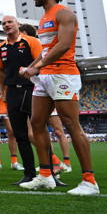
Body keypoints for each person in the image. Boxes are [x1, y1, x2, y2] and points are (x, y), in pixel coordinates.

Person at [19, 0, 99, 195]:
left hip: (63, 74)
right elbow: (46, 50)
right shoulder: (44, 17)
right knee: (36, 124)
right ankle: (46, 175)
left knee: (71, 124)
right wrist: (31, 67)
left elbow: (64, 45)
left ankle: (89, 181)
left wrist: (38, 67)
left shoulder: (64, 13)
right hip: (45, 76)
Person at [19, 23, 71, 174]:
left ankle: (63, 162)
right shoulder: (23, 47)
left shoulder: (35, 44)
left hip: (47, 87)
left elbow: (43, 61)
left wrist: (31, 69)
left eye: (21, 33)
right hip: (37, 89)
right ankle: (53, 162)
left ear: (25, 33)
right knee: (35, 131)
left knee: (59, 130)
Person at [0, 15, 39, 185]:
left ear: (17, 25)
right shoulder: (1, 47)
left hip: (32, 89)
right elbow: (1, 71)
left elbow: (41, 61)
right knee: (19, 134)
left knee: (38, 132)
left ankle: (48, 171)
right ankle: (29, 174)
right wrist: (3, 92)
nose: (6, 25)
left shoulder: (31, 41)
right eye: (4, 23)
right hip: (12, 92)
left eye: (9, 22)